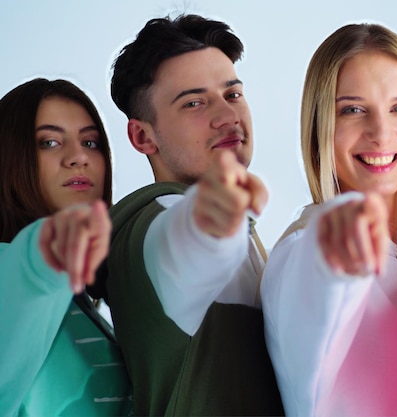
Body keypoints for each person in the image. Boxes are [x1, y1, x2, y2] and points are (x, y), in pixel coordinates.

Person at [90, 14, 283, 416]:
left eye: (232, 95)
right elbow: (183, 244)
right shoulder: (156, 221)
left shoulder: (243, 233)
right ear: (142, 136)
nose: (227, 116)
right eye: (194, 102)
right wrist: (216, 214)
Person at [261, 23, 397, 416]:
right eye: (353, 110)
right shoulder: (307, 247)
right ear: (319, 131)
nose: (381, 133)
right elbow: (319, 282)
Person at [0, 78, 133, 416]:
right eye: (49, 142)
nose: (77, 157)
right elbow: (28, 273)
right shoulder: (14, 268)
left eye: (90, 142)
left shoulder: (82, 304)